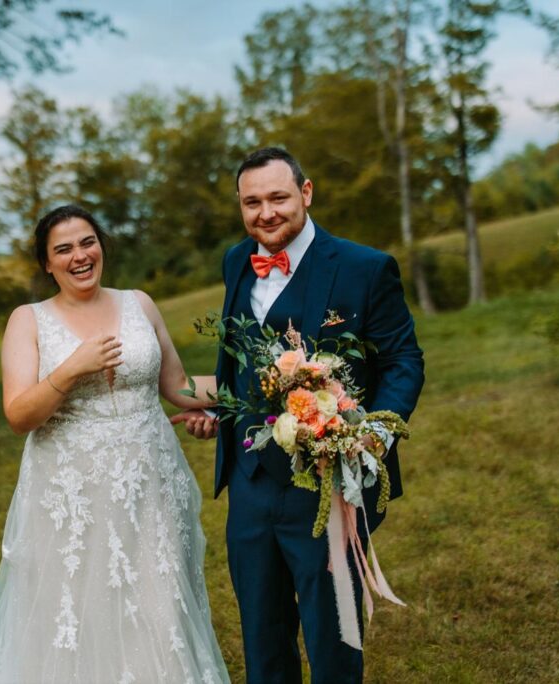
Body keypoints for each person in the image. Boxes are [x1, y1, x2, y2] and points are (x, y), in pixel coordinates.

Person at [174, 147, 425, 683]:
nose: (266, 213)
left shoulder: (364, 267)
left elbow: (403, 361)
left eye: (278, 198)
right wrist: (221, 410)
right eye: (252, 202)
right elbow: (242, 364)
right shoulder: (236, 261)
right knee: (262, 633)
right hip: (249, 482)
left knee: (333, 634)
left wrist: (373, 434)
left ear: (306, 193)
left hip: (328, 483)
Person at [0, 204, 229, 684]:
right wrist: (72, 368)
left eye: (88, 242)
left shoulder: (139, 304)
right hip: (74, 496)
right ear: (47, 264)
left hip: (151, 484)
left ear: (101, 246)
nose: (80, 256)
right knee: (80, 610)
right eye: (63, 249)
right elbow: (19, 416)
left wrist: (264, 385)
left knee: (160, 603)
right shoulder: (28, 320)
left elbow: (178, 386)